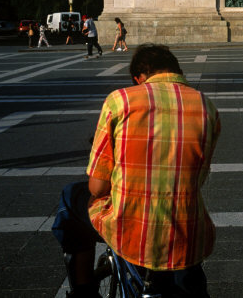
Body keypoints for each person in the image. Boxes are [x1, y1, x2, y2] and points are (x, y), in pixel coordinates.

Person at [51, 44, 221, 298]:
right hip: (188, 232)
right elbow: (197, 177)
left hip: (130, 230)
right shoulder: (207, 107)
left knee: (70, 197)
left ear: (139, 77)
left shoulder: (120, 101)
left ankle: (83, 292)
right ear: (178, 71)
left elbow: (97, 187)